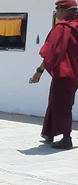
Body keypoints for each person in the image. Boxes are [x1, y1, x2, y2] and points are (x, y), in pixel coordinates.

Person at [30, 0, 78, 149]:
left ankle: (66, 138)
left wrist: (39, 72)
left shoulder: (63, 27)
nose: (57, 13)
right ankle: (49, 133)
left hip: (65, 72)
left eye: (57, 9)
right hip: (75, 72)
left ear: (63, 9)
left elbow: (50, 53)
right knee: (55, 100)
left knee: (62, 104)